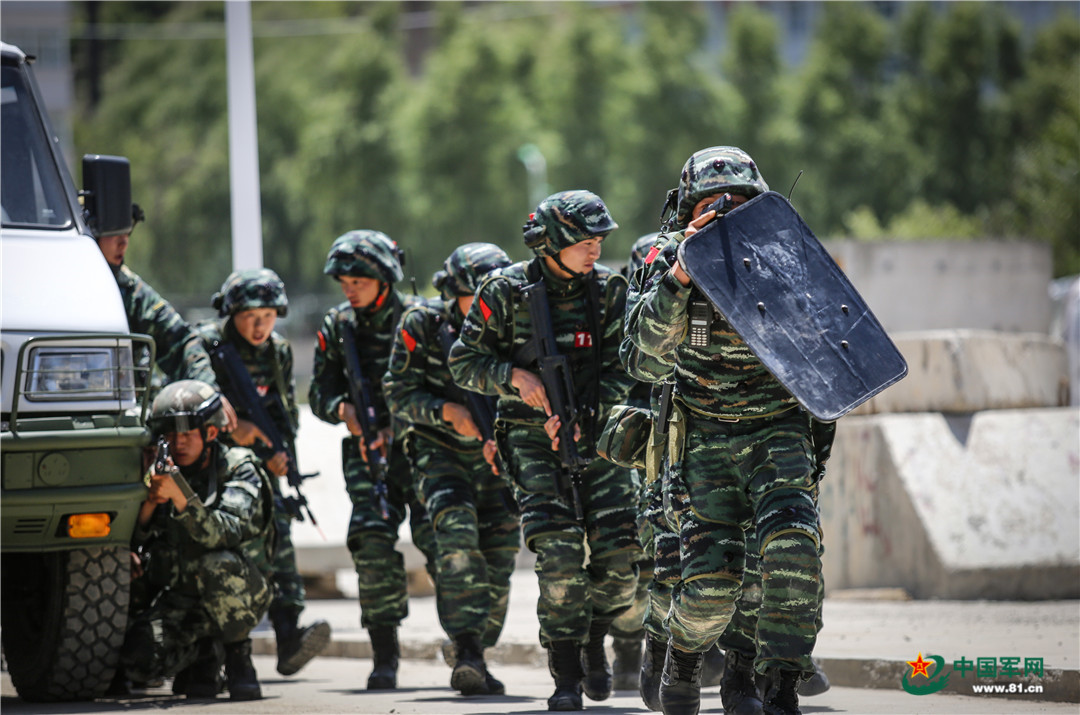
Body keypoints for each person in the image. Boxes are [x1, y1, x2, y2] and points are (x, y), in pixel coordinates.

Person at [623, 146, 828, 715]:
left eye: (737, 200)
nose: (723, 208)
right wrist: (682, 274)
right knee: (712, 582)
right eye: (710, 201)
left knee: (793, 551)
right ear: (687, 207)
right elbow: (642, 359)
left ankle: (777, 683)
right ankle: (684, 660)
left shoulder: (783, 249)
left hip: (777, 428)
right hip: (705, 439)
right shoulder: (666, 258)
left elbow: (828, 339)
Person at [449, 190, 642, 711]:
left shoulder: (608, 291)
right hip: (530, 439)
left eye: (600, 239)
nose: (596, 248)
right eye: (585, 240)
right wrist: (512, 377)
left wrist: (588, 417)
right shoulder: (505, 291)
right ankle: (566, 674)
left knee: (622, 562)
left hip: (598, 435)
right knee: (558, 556)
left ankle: (593, 635)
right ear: (552, 243)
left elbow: (625, 366)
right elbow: (463, 361)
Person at [383, 243, 521, 696]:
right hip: (439, 453)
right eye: (474, 296)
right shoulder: (421, 325)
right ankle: (467, 650)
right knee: (457, 535)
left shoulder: (514, 321)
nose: (486, 306)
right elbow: (398, 392)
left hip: (497, 457)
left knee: (500, 555)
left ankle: (477, 648)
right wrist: (446, 411)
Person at [308, 230, 437, 690]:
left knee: (443, 540)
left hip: (422, 450)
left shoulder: (418, 318)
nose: (348, 286)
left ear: (383, 277)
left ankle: (469, 649)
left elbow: (439, 386)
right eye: (343, 279)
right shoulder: (338, 326)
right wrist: (343, 410)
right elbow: (319, 390)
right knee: (371, 542)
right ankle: (385, 655)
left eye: (357, 278)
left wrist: (395, 426)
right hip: (366, 456)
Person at [196, 268, 332, 677]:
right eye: (250, 317)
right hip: (214, 470)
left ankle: (288, 635)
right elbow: (185, 402)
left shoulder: (277, 350)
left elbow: (282, 408)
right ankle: (215, 652)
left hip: (263, 466)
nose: (260, 326)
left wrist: (280, 452)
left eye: (269, 316)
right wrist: (231, 430)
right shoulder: (206, 345)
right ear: (231, 313)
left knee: (280, 546)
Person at [119, 380, 275, 701]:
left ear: (211, 434)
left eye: (188, 434)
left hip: (239, 590)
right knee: (137, 661)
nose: (179, 443)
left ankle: (238, 660)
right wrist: (150, 500)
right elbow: (137, 540)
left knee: (216, 563)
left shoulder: (239, 469)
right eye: (171, 436)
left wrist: (180, 496)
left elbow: (223, 533)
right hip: (183, 598)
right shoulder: (163, 468)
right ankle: (202, 655)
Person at [93, 207, 237, 428]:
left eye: (127, 234)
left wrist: (209, 392)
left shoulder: (132, 292)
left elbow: (181, 342)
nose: (124, 243)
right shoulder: (53, 278)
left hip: (125, 419)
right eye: (114, 233)